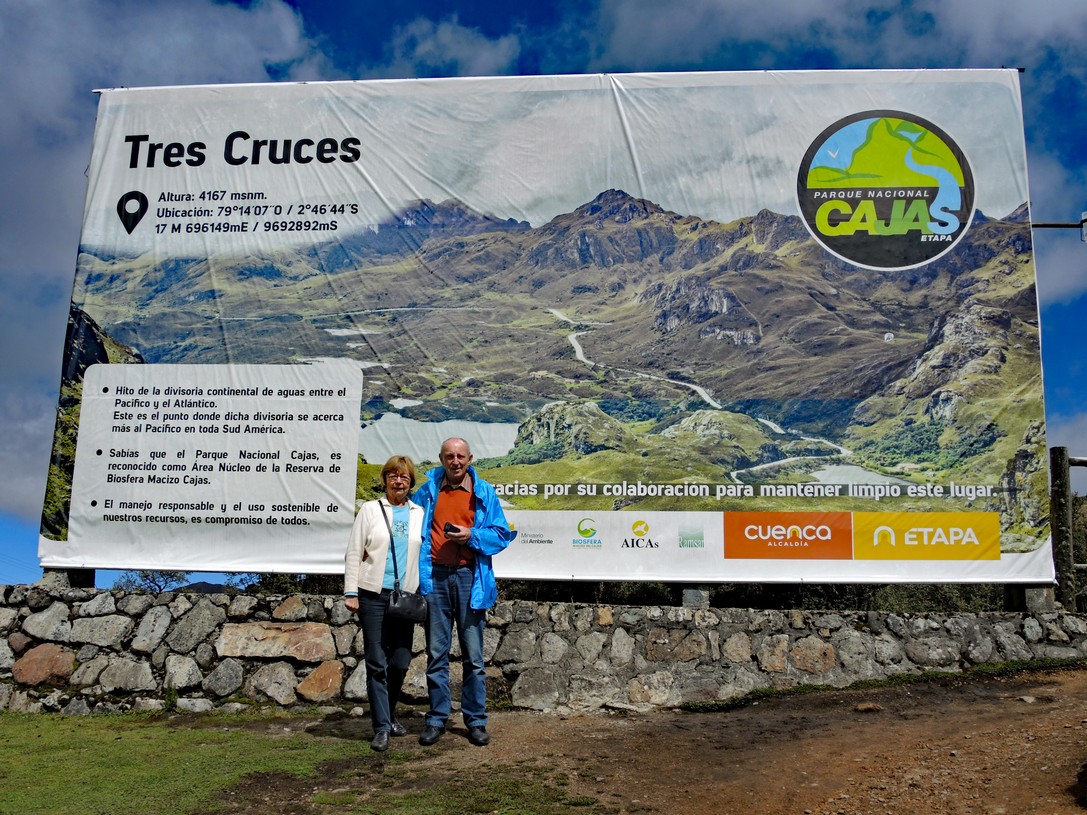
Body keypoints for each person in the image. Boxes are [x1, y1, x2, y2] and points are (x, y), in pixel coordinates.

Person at [414, 437, 516, 746]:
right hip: (435, 580)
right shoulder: (426, 491)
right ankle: (436, 718)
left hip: (470, 579)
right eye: (449, 456)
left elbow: (501, 535)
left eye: (460, 456)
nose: (455, 461)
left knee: (473, 657)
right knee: (436, 654)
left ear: (469, 458)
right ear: (441, 458)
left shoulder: (484, 492)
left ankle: (475, 720)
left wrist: (471, 536)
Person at [344, 454, 425, 752]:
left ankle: (388, 714)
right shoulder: (369, 510)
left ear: (411, 481)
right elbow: (354, 552)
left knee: (401, 660)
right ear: (385, 480)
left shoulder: (419, 512)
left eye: (403, 476)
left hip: (405, 597)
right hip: (372, 594)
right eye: (393, 475)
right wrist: (350, 592)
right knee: (377, 661)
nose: (398, 480)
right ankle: (381, 727)